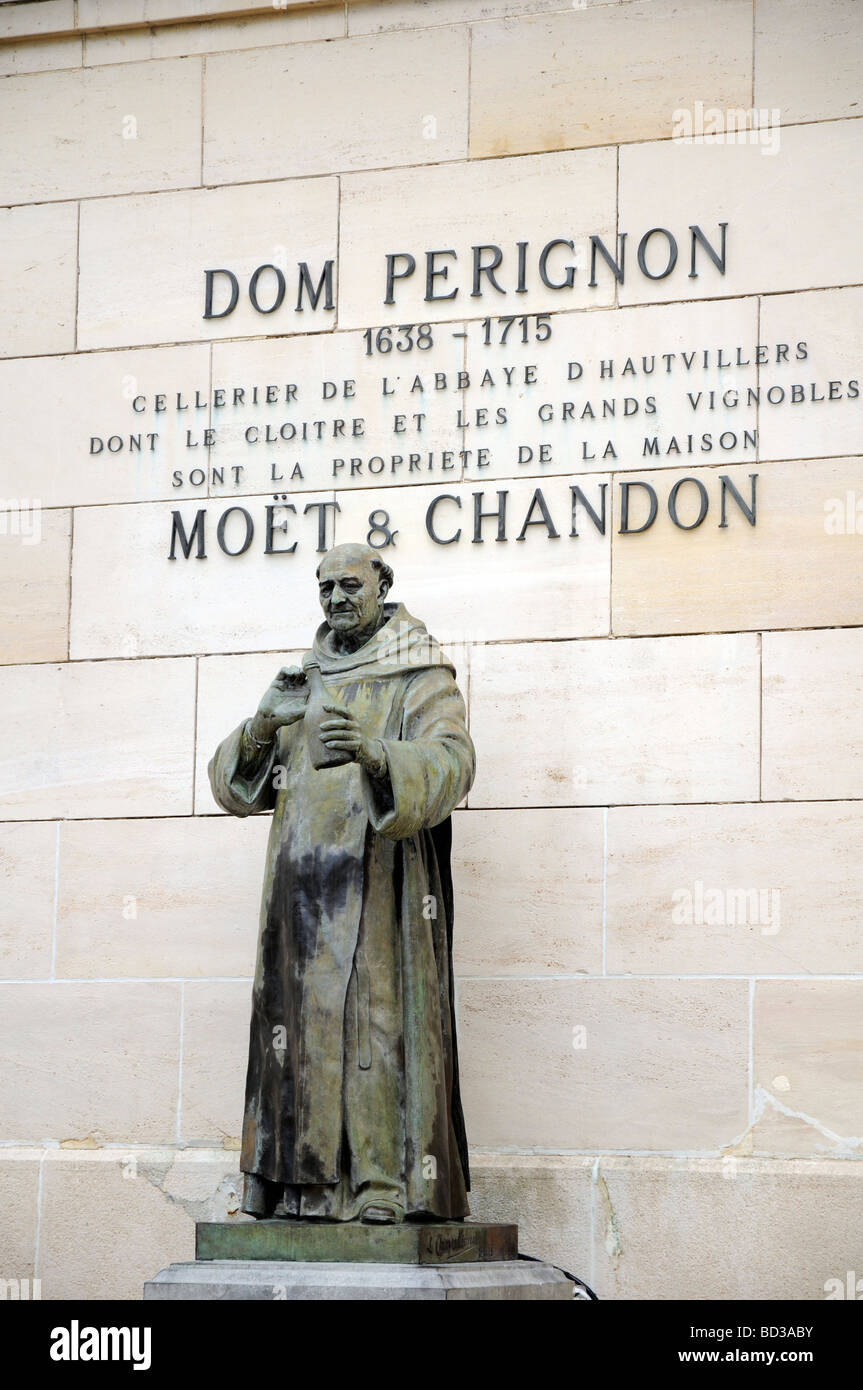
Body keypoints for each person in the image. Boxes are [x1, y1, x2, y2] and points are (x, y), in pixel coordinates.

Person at [209, 542, 475, 1223]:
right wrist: (267, 720)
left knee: (371, 1029)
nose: (335, 598)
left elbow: (453, 763)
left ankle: (381, 1187)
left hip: (378, 884)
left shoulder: (416, 668)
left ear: (382, 584)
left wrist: (377, 751)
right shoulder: (305, 677)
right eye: (323, 587)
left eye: (349, 584)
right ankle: (302, 1191)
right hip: (299, 895)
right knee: (298, 1038)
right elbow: (233, 789)